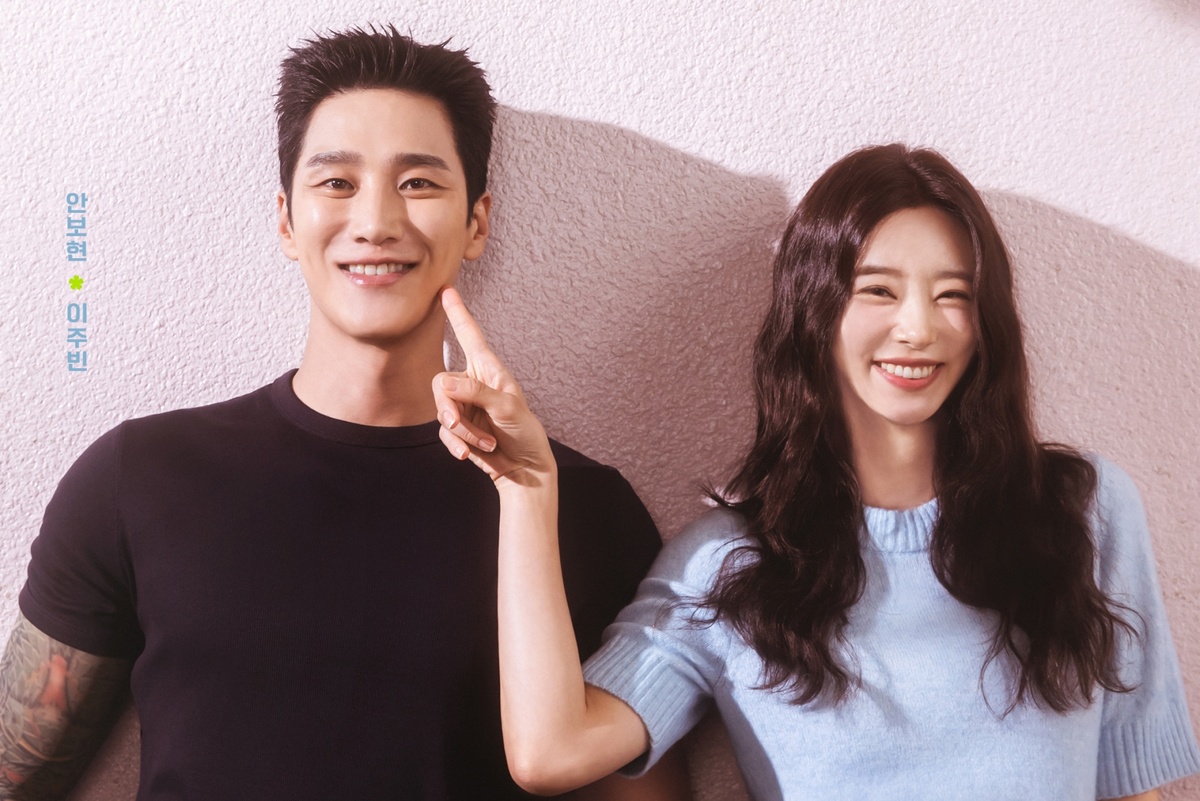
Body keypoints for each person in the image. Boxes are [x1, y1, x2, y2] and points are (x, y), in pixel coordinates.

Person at [0, 25, 688, 800]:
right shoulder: (138, 477)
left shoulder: (581, 507)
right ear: (286, 220)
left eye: (418, 182)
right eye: (336, 182)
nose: (376, 221)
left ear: (477, 223)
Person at [433, 144, 1200, 800]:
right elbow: (550, 751)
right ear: (816, 310)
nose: (918, 326)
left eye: (953, 295)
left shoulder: (1083, 511)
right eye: (878, 289)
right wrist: (526, 484)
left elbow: (1137, 787)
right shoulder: (729, 567)